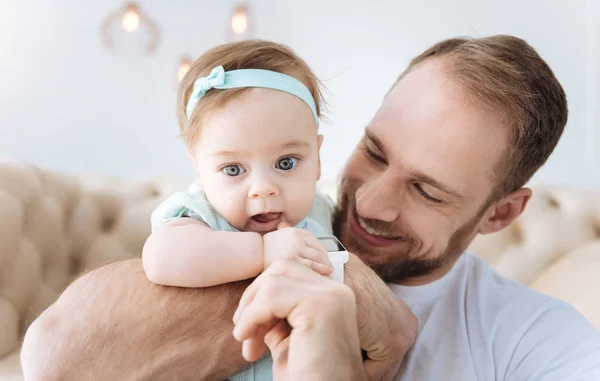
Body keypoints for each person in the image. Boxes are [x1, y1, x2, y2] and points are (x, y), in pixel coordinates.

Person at [21, 35, 600, 380]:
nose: (370, 203)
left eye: (426, 190)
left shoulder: (535, 339)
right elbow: (53, 359)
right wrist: (356, 288)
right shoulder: (268, 224)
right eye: (374, 152)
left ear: (501, 214)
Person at [141, 39, 337, 380]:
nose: (263, 187)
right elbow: (161, 258)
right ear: (200, 169)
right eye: (233, 169)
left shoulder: (321, 212)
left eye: (286, 162)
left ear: (317, 157)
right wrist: (262, 251)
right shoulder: (202, 214)